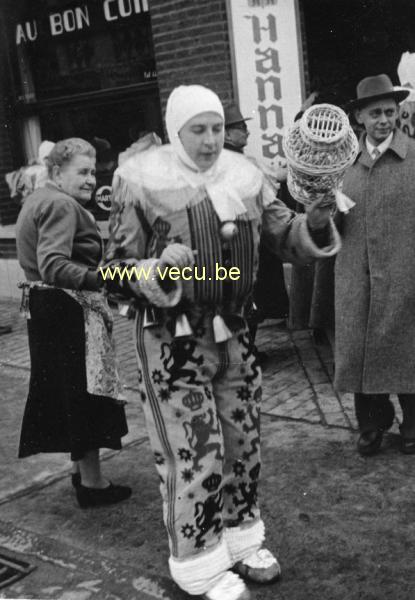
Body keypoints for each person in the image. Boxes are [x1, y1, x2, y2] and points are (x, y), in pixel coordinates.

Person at [104, 85, 341, 600]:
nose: (211, 141)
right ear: (176, 131)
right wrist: (158, 267)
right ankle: (198, 560)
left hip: (233, 330)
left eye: (217, 129)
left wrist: (314, 224)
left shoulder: (244, 175)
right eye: (199, 130)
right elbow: (113, 269)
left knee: (243, 441)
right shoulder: (139, 182)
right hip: (171, 336)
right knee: (193, 450)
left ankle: (240, 536)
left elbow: (283, 233)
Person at [15, 137, 131, 508]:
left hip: (45, 308)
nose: (89, 179)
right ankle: (93, 484)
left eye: (93, 172)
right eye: (81, 171)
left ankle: (84, 474)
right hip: (68, 310)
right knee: (86, 394)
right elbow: (54, 265)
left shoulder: (38, 198)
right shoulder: (61, 204)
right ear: (56, 172)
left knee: (70, 393)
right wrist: (104, 280)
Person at [335, 73, 415, 456]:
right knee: (361, 352)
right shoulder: (344, 166)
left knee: (408, 349)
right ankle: (371, 425)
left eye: (390, 111)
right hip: (358, 276)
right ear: (359, 119)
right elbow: (327, 222)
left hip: (406, 273)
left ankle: (413, 425)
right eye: (375, 113)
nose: (384, 120)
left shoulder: (413, 157)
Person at [224, 104, 290, 363]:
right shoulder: (238, 162)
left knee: (248, 300)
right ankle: (245, 352)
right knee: (250, 299)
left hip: (245, 241)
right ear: (227, 133)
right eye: (241, 127)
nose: (247, 131)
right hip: (248, 242)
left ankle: (246, 350)